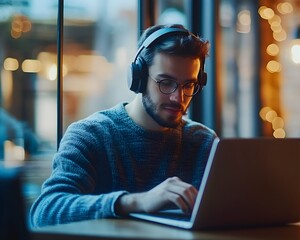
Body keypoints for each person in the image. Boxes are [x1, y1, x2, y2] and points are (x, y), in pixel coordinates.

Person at [29, 24, 218, 227]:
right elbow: (46, 211)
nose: (177, 97)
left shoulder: (204, 141)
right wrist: (136, 201)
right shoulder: (90, 134)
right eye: (166, 82)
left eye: (188, 85)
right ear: (139, 78)